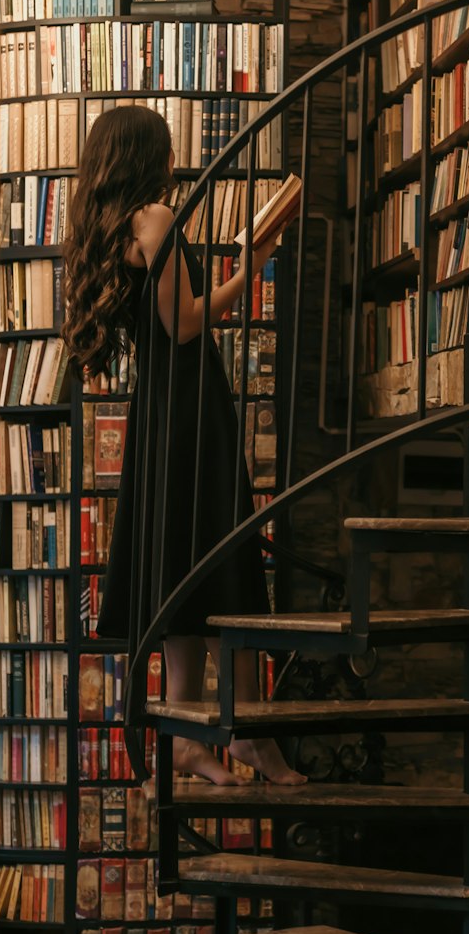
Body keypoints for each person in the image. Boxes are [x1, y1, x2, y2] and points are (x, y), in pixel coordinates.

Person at [62, 105, 306, 786]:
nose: (175, 162)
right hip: (192, 410)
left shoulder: (116, 228)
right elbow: (188, 324)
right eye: (168, 150)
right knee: (220, 563)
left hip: (165, 413)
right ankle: (243, 730)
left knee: (185, 567)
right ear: (148, 155)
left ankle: (189, 734)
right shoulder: (157, 219)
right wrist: (252, 265)